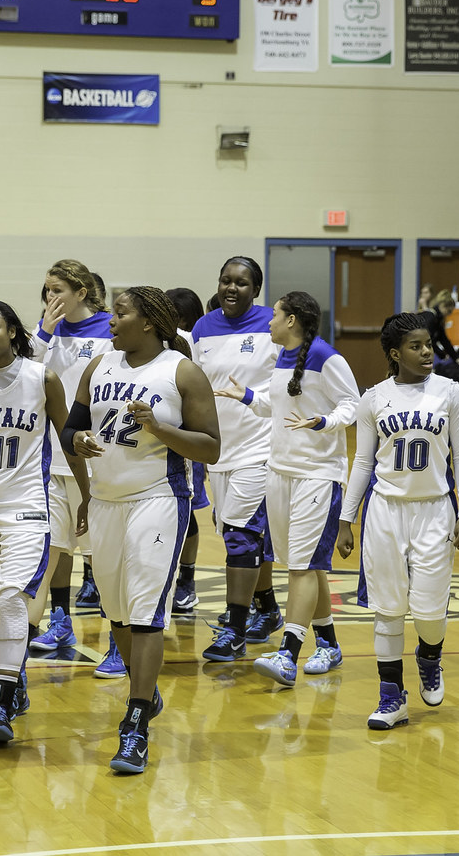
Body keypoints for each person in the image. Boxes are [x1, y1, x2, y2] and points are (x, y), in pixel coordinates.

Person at [64, 286, 220, 773]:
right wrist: (82, 439)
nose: (111, 321)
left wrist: (160, 429)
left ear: (149, 322)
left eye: (120, 313)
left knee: (147, 610)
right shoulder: (99, 367)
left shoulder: (181, 371)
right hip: (107, 503)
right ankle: (144, 694)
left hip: (158, 501)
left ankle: (134, 724)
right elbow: (68, 428)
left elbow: (210, 447)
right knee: (119, 616)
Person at [0, 301, 89, 742]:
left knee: (11, 599)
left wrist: (84, 494)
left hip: (27, 509)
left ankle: (1, 700)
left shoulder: (41, 377)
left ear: (12, 331)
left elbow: (68, 442)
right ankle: (15, 677)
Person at [337, 312, 459, 730]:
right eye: (416, 346)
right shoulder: (374, 397)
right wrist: (346, 518)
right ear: (396, 354)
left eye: (429, 344)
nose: (427, 351)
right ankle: (390, 697)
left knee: (430, 611)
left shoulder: (450, 393)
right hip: (384, 511)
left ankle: (430, 657)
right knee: (388, 608)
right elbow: (362, 461)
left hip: (434, 508)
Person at [214, 292, 359, 687]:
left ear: (292, 320)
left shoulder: (328, 357)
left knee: (300, 566)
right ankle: (328, 643)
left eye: (275, 316)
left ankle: (288, 654)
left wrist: (323, 422)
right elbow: (276, 407)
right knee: (308, 564)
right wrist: (245, 396)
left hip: (316, 474)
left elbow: (353, 406)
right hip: (280, 473)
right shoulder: (282, 357)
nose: (269, 322)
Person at [25, 260, 117, 676]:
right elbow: (24, 372)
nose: (50, 297)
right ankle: (56, 625)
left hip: (98, 460)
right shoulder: (46, 331)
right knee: (53, 549)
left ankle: (119, 641)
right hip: (53, 459)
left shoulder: (111, 330)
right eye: (46, 290)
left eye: (58, 289)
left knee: (106, 556)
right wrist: (43, 330)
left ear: (82, 292)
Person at [190, 257, 282, 661]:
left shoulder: (273, 326)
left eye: (241, 283)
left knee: (240, 539)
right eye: (225, 280)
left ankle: (235, 629)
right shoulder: (203, 328)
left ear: (256, 289)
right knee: (245, 536)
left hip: (260, 449)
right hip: (217, 452)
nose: (231, 288)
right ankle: (269, 608)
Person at [164, 287, 212, 615]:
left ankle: (187, 579)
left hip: (184, 439)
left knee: (187, 517)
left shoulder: (189, 343)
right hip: (152, 441)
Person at [418, 289, 459, 376]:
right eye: (449, 311)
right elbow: (428, 341)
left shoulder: (437, 319)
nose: (448, 315)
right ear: (444, 306)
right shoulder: (430, 318)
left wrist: (456, 358)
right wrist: (442, 355)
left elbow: (444, 340)